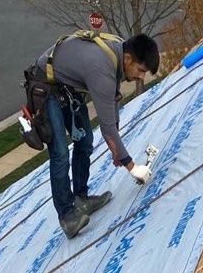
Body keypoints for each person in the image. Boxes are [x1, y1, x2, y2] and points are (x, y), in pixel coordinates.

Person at [33, 31, 160, 239]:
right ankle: (67, 216)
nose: (140, 77)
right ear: (128, 59)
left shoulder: (118, 52)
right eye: (141, 70)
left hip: (65, 85)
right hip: (44, 85)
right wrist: (132, 167)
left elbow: (112, 101)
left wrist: (115, 148)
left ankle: (80, 199)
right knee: (60, 153)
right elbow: (107, 127)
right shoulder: (101, 68)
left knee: (85, 141)